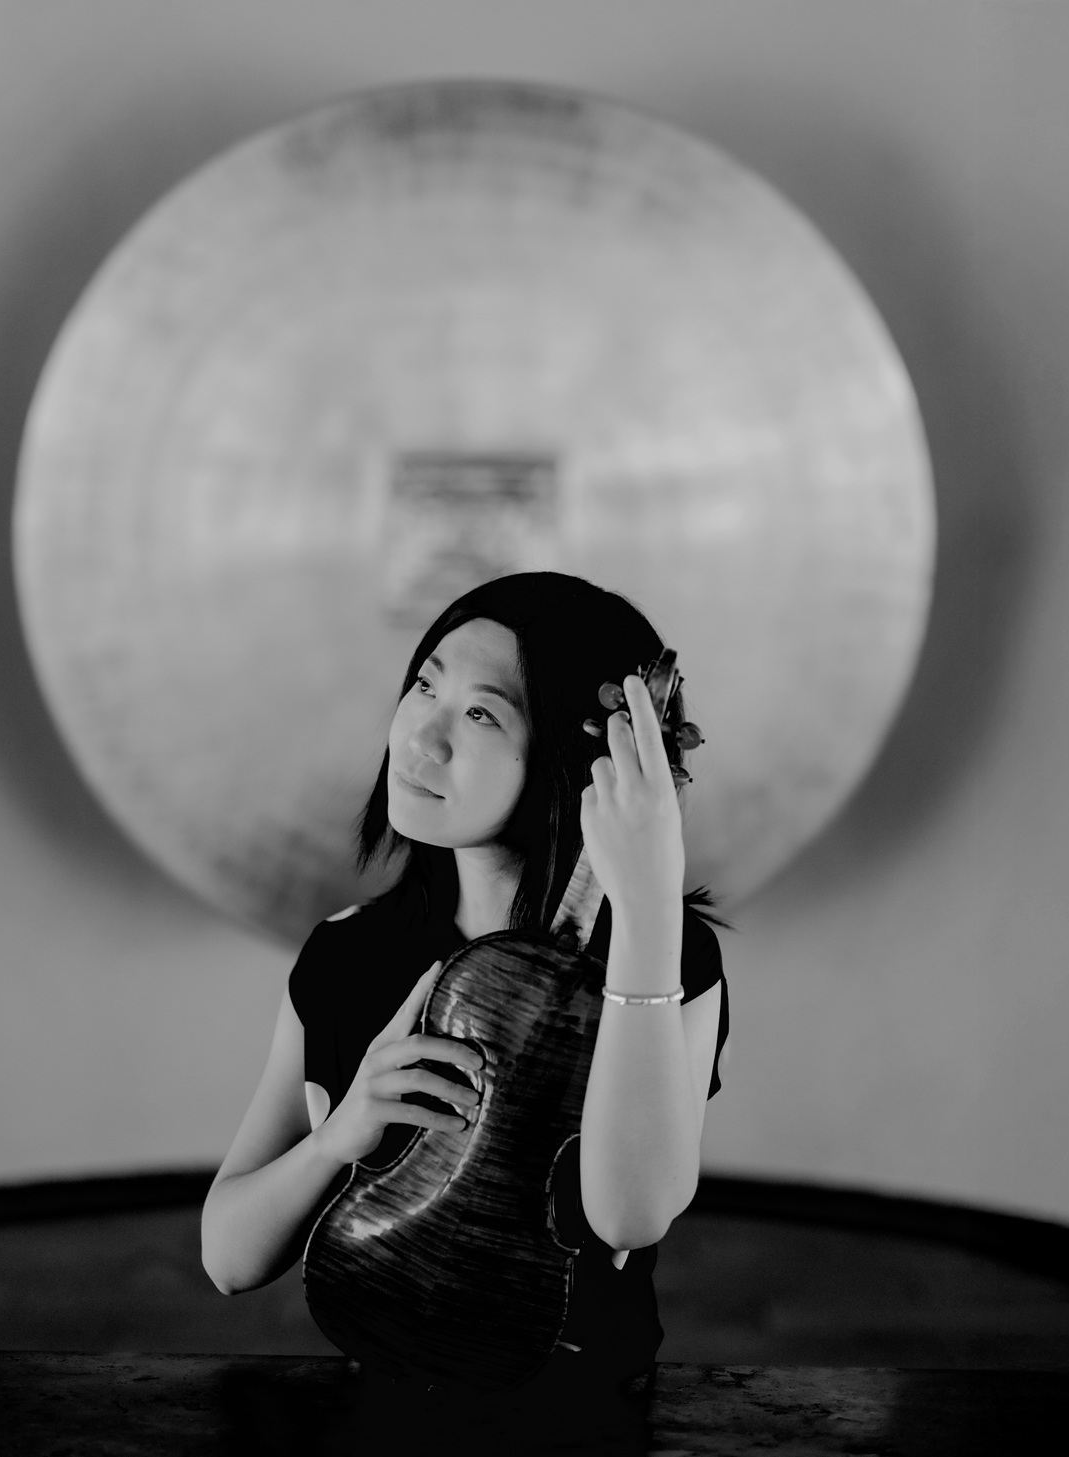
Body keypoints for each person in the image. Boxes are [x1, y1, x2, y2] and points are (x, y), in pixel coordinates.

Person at [200, 571, 728, 1453]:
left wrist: (644, 906)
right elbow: (227, 1258)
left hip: (585, 1425)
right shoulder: (346, 954)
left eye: (482, 714)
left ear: (571, 756)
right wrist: (336, 1138)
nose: (421, 735)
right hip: (376, 1414)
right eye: (424, 684)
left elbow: (630, 1215)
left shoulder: (666, 957)